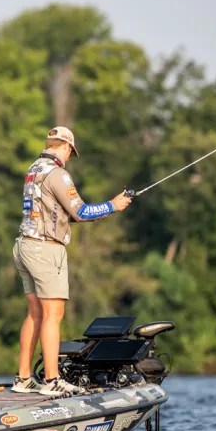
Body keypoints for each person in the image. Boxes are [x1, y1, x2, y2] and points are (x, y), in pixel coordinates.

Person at [12, 127, 133, 397]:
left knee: (35, 313)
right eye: (70, 152)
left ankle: (23, 378)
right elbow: (81, 211)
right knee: (53, 316)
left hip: (24, 245)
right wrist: (114, 205)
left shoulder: (34, 168)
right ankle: (52, 379)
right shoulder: (57, 173)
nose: (70, 157)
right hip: (45, 249)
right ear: (65, 147)